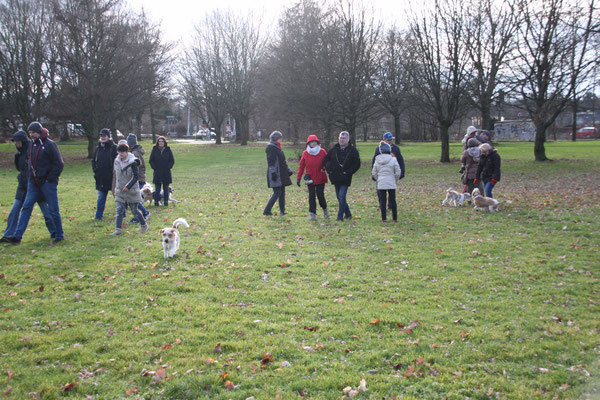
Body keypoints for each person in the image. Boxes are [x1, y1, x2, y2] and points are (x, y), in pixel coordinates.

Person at [8, 122, 65, 245]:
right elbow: (28, 162)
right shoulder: (31, 145)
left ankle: (59, 235)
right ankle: (17, 236)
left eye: (33, 132)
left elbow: (59, 164)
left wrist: (50, 179)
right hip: (33, 183)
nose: (31, 135)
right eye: (30, 133)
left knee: (53, 209)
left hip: (48, 183)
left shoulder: (50, 145)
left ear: (39, 131)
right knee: (26, 207)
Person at [1, 130, 56, 243]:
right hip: (22, 187)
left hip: (36, 185)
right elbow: (20, 169)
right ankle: (9, 234)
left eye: (17, 141)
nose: (16, 144)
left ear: (23, 141)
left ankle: (54, 231)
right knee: (14, 210)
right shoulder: (19, 155)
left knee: (46, 212)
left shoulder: (33, 150)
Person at [110, 143, 148, 235]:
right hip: (120, 190)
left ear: (127, 152)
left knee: (134, 210)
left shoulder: (133, 161)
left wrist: (128, 186)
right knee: (119, 209)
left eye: (122, 152)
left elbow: (136, 177)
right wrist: (115, 188)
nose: (120, 154)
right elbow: (116, 176)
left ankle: (144, 225)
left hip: (132, 190)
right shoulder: (117, 161)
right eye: (119, 152)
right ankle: (118, 229)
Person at [323, 131, 361, 221]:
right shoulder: (334, 150)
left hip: (345, 178)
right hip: (335, 177)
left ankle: (339, 217)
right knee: (339, 197)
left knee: (342, 196)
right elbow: (326, 161)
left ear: (348, 139)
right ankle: (348, 213)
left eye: (344, 138)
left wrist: (348, 172)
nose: (342, 140)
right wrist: (330, 171)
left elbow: (357, 164)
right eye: (340, 138)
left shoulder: (353, 151)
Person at [296, 134, 329, 220]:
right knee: (311, 196)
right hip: (309, 178)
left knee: (320, 195)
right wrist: (298, 178)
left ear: (317, 142)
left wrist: (326, 169)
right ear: (308, 143)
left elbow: (328, 163)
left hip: (320, 177)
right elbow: (301, 166)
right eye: (312, 142)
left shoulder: (322, 152)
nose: (314, 143)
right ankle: (312, 213)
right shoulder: (305, 153)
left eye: (315, 142)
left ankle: (325, 209)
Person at [371, 132, 405, 209]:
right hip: (381, 173)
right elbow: (374, 161)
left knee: (391, 191)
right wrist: (373, 174)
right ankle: (382, 205)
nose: (390, 141)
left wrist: (402, 171)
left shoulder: (395, 148)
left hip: (392, 173)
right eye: (388, 140)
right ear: (384, 140)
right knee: (380, 191)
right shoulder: (378, 149)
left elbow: (400, 160)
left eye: (391, 140)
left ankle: (390, 205)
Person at [263, 131, 292, 216]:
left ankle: (282, 211)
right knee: (277, 192)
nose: (281, 139)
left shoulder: (277, 147)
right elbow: (271, 162)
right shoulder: (271, 148)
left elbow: (282, 161)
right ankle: (267, 211)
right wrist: (273, 173)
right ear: (276, 138)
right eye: (280, 138)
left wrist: (288, 170)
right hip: (276, 174)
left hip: (281, 174)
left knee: (282, 192)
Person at [371, 143, 401, 222]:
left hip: (381, 182)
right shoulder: (393, 159)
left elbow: (374, 173)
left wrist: (379, 179)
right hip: (391, 181)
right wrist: (394, 179)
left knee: (382, 201)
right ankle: (395, 218)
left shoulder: (377, 160)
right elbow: (398, 172)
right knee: (393, 200)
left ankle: (384, 218)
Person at [92, 128, 117, 220]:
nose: (102, 137)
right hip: (101, 178)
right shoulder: (98, 148)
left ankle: (123, 214)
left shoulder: (114, 148)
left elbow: (117, 161)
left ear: (108, 137)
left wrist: (113, 173)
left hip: (112, 178)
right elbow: (93, 161)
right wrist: (95, 170)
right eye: (101, 136)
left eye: (104, 136)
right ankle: (98, 216)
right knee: (101, 198)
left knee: (118, 198)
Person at [126, 133, 150, 222]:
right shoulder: (135, 151)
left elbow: (136, 166)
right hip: (139, 178)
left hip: (137, 179)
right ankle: (144, 213)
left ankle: (140, 215)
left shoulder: (135, 153)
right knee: (134, 198)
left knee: (134, 199)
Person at [149, 136, 175, 206]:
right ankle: (156, 202)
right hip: (157, 172)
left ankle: (165, 202)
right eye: (159, 141)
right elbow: (151, 160)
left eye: (162, 141)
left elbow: (172, 160)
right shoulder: (154, 150)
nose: (161, 143)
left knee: (166, 188)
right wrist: (155, 168)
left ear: (164, 142)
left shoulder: (168, 150)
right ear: (157, 142)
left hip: (166, 172)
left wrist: (168, 167)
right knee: (157, 189)